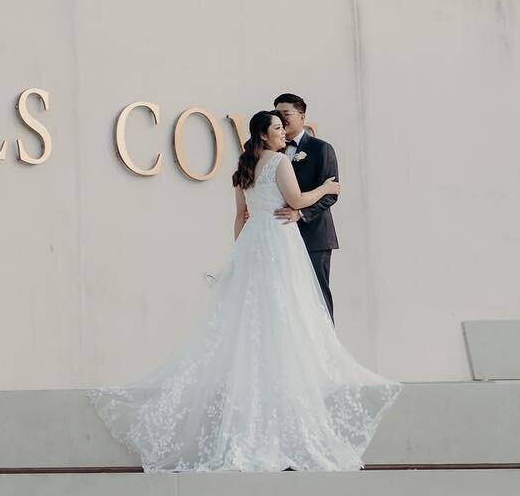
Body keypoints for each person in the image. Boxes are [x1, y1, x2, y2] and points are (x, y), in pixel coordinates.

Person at [90, 108, 400, 473]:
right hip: (279, 241)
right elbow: (297, 201)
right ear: (264, 135)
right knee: (284, 312)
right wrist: (327, 188)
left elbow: (240, 215)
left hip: (253, 242)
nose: (283, 133)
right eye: (277, 128)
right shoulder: (279, 162)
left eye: (283, 127)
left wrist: (239, 253)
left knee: (252, 316)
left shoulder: (243, 168)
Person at [271, 91, 338, 319]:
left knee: (317, 296)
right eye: (278, 114)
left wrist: (300, 213)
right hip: (281, 235)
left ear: (302, 117)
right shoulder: (274, 152)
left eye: (286, 113)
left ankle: (327, 352)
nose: (281, 118)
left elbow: (331, 194)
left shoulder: (321, 149)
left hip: (314, 237)